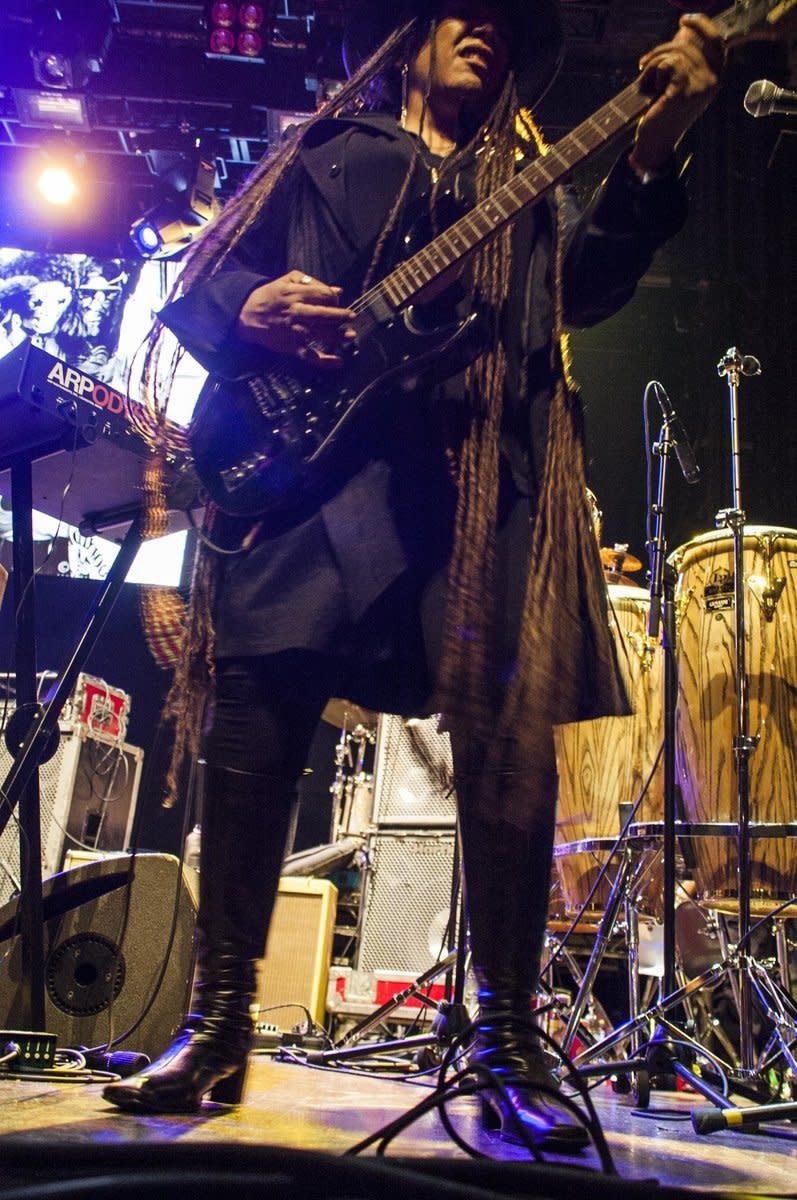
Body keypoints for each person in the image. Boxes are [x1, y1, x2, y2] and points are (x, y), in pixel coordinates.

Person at [103, 0, 722, 1149]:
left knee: (505, 747)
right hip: (308, 483)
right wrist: (250, 306)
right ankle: (219, 1021)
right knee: (249, 721)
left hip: (475, 488)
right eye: (455, 10)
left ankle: (503, 1039)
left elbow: (585, 285)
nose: (479, 26)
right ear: (400, 39)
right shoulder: (322, 151)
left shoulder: (527, 178)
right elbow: (199, 290)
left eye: (498, 17)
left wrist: (650, 143)